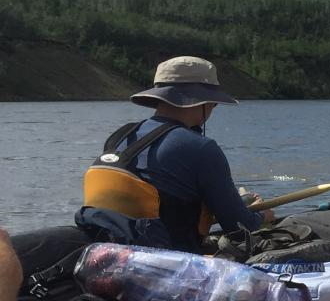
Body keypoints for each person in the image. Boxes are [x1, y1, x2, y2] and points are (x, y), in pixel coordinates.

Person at [81, 56, 272, 252]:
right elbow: (239, 227)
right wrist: (263, 216)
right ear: (202, 102)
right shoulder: (201, 148)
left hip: (104, 251)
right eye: (214, 103)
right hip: (164, 262)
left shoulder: (120, 136)